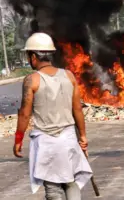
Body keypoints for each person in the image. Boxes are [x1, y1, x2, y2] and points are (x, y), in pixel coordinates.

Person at [13, 32, 92, 200]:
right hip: (69, 138)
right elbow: (77, 109)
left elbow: (24, 114)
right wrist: (83, 137)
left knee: (53, 186)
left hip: (47, 142)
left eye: (28, 56)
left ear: (33, 56)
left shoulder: (31, 80)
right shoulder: (69, 76)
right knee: (71, 181)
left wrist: (18, 139)